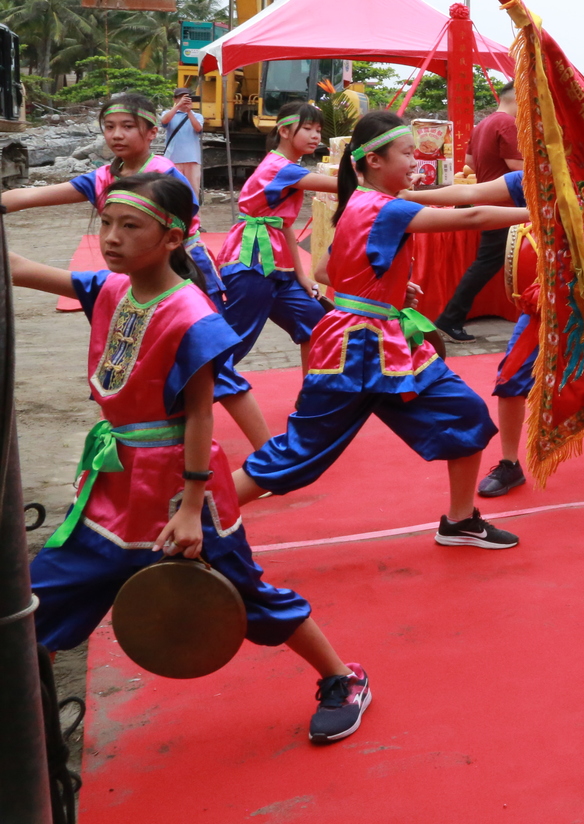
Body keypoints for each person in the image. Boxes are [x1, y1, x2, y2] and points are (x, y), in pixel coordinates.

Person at [16, 172, 372, 743]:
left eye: (129, 226)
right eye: (106, 223)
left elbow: (202, 416)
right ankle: (27, 715)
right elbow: (24, 270)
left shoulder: (190, 314)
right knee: (44, 592)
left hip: (178, 488)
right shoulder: (112, 289)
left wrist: (191, 504)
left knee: (244, 594)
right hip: (112, 482)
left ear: (174, 237)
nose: (111, 237)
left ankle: (342, 677)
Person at [231, 112, 528, 549]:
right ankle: (194, 510)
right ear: (372, 161)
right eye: (407, 153)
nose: (415, 162)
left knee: (467, 415)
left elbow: (327, 268)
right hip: (357, 348)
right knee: (298, 455)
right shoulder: (384, 207)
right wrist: (549, 214)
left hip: (382, 339)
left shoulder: (356, 204)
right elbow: (472, 216)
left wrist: (384, 286)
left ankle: (460, 521)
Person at [403, 168, 584, 498]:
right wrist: (413, 196)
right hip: (547, 297)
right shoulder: (532, 176)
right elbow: (471, 195)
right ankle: (509, 463)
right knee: (511, 377)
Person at [1, 93, 268, 446]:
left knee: (213, 367)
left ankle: (267, 456)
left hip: (181, 273)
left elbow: (180, 230)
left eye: (127, 126)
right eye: (109, 127)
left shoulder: (163, 175)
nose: (117, 134)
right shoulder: (102, 176)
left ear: (151, 133)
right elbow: (29, 197)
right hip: (136, 276)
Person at [214, 104, 338, 389]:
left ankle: (312, 397)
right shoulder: (279, 167)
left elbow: (284, 226)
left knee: (314, 321)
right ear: (284, 131)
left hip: (277, 264)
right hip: (252, 259)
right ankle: (182, 397)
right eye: (307, 128)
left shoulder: (287, 167)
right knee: (234, 341)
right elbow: (343, 186)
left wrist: (301, 276)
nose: (315, 135)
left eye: (318, 130)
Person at [434, 82, 523, 342]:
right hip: (507, 206)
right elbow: (518, 168)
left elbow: (469, 165)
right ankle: (450, 317)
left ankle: (451, 317)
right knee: (487, 264)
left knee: (489, 263)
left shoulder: (482, 125)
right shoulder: (509, 124)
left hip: (491, 203)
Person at [159, 87, 204, 192]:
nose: (184, 100)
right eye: (180, 98)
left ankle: (193, 208)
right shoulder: (168, 113)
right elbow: (164, 121)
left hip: (192, 159)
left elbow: (198, 128)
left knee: (192, 190)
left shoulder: (198, 116)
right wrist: (178, 106)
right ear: (175, 99)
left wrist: (189, 111)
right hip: (173, 158)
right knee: (173, 189)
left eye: (186, 98)